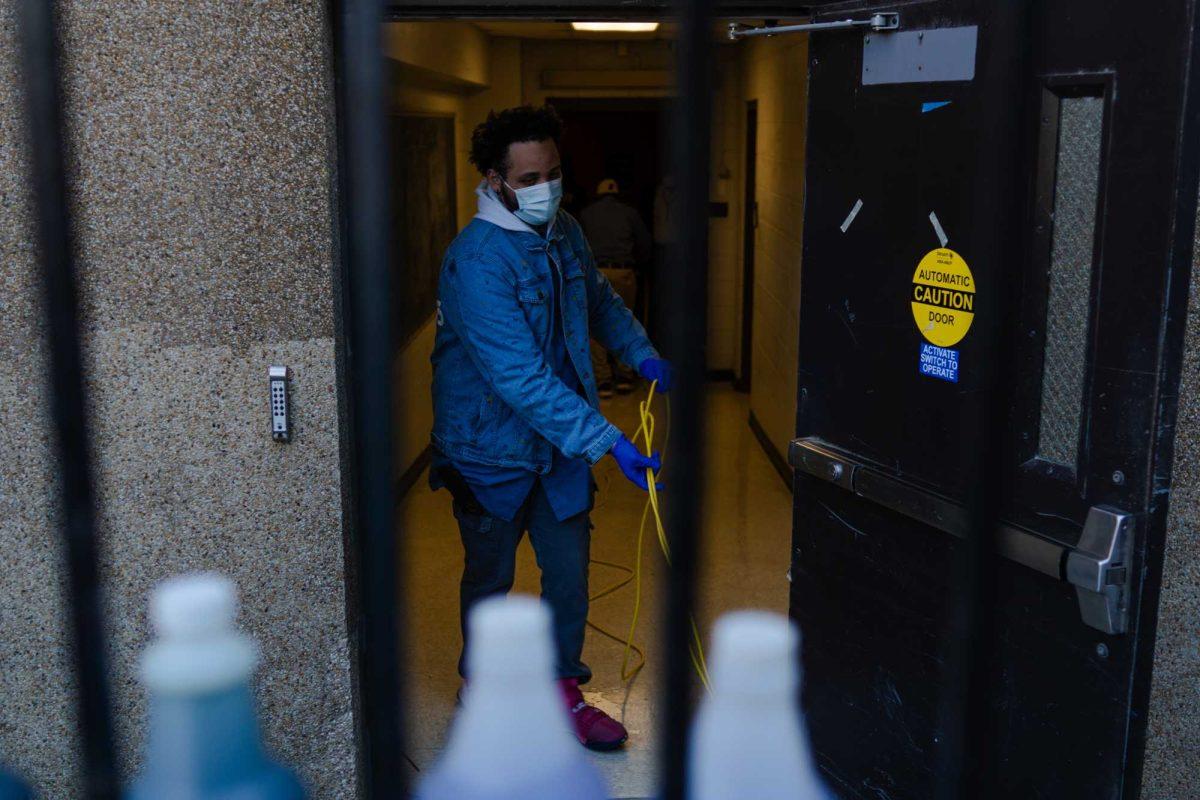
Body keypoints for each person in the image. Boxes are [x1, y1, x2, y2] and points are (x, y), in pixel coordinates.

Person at [429, 105, 673, 751]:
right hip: (489, 451)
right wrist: (608, 439)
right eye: (531, 177)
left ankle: (565, 690)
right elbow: (518, 376)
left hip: (558, 446)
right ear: (495, 178)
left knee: (568, 573)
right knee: (491, 576)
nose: (547, 187)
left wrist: (640, 350)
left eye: (555, 173)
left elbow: (598, 300)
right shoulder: (475, 262)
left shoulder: (563, 229)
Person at [581, 179, 653, 397]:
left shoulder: (586, 215)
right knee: (624, 321)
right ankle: (624, 375)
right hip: (624, 273)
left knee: (595, 326)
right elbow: (645, 245)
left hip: (595, 273)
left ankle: (603, 380)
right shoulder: (630, 213)